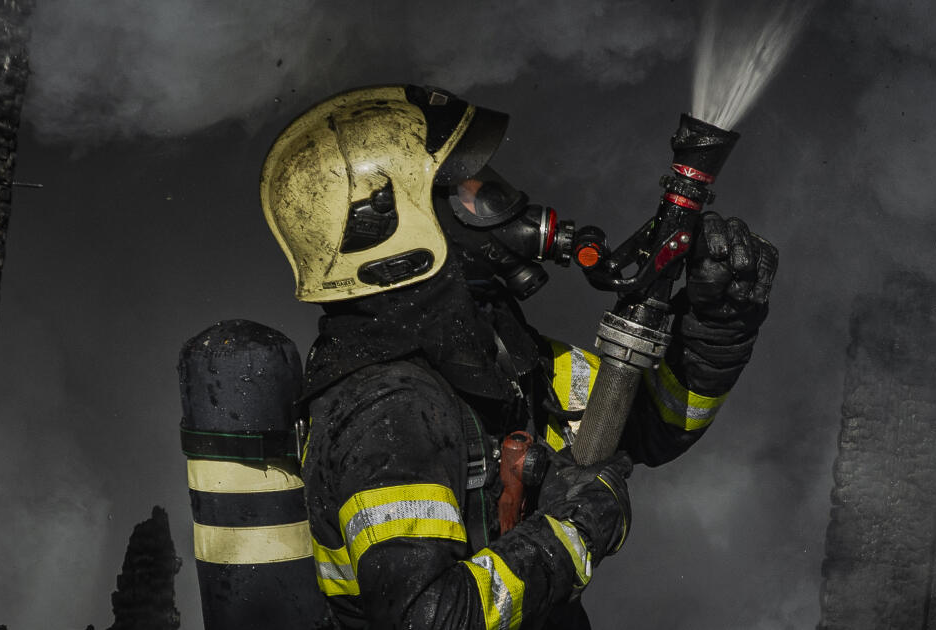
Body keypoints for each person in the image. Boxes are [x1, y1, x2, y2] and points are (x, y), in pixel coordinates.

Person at [259, 85, 777, 630]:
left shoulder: (491, 357)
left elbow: (649, 425)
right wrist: (573, 530)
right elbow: (430, 620)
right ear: (391, 229)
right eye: (466, 193)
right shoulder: (390, 411)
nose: (509, 207)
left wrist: (716, 327)